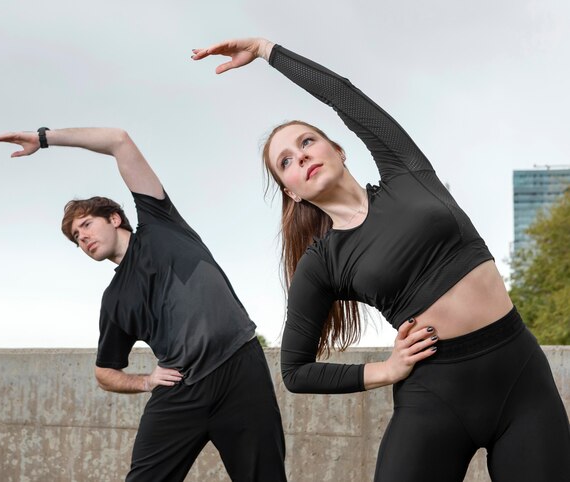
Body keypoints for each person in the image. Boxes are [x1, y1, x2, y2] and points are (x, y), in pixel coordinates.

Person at [193, 38, 570, 482]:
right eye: (287, 161)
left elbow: (342, 94)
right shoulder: (322, 262)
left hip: (520, 377)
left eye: (308, 141)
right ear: (292, 191)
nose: (303, 156)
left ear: (338, 148)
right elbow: (295, 371)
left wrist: (264, 49)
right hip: (436, 395)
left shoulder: (405, 171)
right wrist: (385, 370)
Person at [0, 127, 286, 482]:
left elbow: (118, 140)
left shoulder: (161, 224)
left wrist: (45, 138)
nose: (82, 237)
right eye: (76, 237)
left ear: (114, 218)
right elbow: (104, 372)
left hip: (240, 371)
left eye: (86, 225)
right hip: (180, 391)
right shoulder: (114, 299)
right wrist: (145, 382)